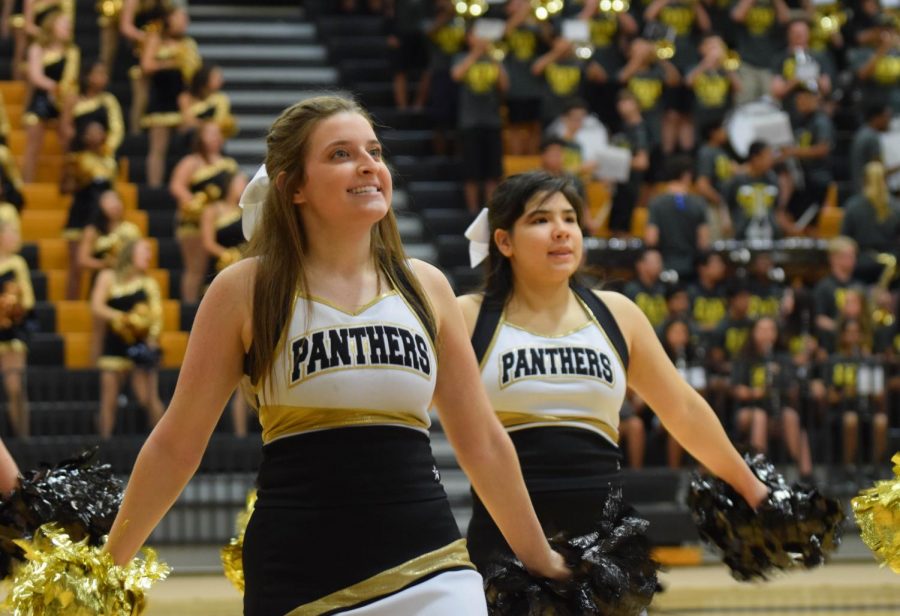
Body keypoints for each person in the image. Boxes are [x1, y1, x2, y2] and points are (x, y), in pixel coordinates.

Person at [102, 96, 568, 615]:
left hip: (431, 566)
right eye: (341, 154)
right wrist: (106, 567)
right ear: (293, 187)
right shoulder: (245, 289)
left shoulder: (426, 286)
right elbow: (176, 445)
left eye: (374, 150)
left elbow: (481, 439)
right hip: (298, 578)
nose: (369, 164)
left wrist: (540, 558)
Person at [459, 170, 769, 574]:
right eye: (540, 220)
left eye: (569, 219)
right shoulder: (468, 316)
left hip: (604, 549)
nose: (561, 231)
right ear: (504, 241)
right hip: (504, 548)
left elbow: (683, 411)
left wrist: (752, 488)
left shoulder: (617, 315)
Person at [91, 238, 165, 439]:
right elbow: (96, 306)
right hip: (113, 344)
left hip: (139, 346)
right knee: (109, 400)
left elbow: (156, 317)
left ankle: (162, 442)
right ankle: (104, 446)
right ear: (130, 252)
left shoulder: (148, 283)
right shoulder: (107, 276)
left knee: (148, 397)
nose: (149, 255)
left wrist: (151, 341)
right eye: (145, 251)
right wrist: (124, 318)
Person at [732, 316, 813, 481]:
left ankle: (805, 473)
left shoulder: (782, 359)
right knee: (759, 417)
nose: (766, 334)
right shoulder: (744, 358)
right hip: (749, 410)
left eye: (770, 330)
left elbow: (792, 389)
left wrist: (779, 377)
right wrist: (758, 392)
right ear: (753, 333)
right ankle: (760, 470)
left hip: (777, 408)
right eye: (761, 330)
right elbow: (737, 390)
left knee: (791, 417)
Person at [200, 172, 249, 436]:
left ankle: (241, 437)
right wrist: (229, 256)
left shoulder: (250, 211)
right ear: (229, 184)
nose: (245, 185)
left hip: (244, 280)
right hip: (219, 276)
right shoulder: (213, 209)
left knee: (245, 370)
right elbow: (207, 242)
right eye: (241, 181)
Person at [168, 122, 238, 303]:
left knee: (214, 267)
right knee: (195, 268)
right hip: (195, 221)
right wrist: (194, 203)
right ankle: (190, 307)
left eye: (218, 134)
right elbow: (176, 186)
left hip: (221, 222)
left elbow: (235, 191)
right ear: (200, 138)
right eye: (211, 134)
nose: (216, 138)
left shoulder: (228, 164)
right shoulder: (192, 161)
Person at [140, 6, 200, 187]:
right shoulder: (156, 38)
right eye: (180, 17)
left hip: (183, 98)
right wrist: (171, 62)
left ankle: (185, 182)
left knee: (188, 145)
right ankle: (155, 187)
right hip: (161, 95)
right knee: (158, 148)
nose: (184, 22)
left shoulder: (188, 43)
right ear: (168, 19)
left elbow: (196, 72)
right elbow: (146, 65)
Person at [61, 121, 117, 300]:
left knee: (99, 262)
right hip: (81, 214)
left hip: (101, 218)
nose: (96, 135)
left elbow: (111, 191)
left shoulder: (109, 161)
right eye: (92, 131)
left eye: (100, 131)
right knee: (76, 267)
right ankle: (72, 304)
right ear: (84, 136)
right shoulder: (76, 158)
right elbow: (64, 188)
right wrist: (75, 177)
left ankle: (92, 301)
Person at [21, 8, 78, 183]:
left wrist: (63, 95)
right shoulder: (38, 48)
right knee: (33, 145)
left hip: (64, 101)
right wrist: (53, 87)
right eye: (63, 24)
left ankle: (67, 182)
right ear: (51, 25)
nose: (68, 28)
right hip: (42, 98)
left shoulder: (72, 51)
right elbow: (35, 75)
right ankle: (26, 184)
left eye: (69, 25)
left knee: (67, 140)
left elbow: (72, 78)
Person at [0, 207, 33, 439]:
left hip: (11, 331)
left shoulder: (17, 263)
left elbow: (28, 299)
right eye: (11, 232)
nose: (15, 237)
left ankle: (23, 438)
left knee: (15, 388)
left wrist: (11, 306)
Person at [62, 60, 124, 156]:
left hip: (102, 151)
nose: (105, 77)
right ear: (87, 77)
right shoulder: (72, 99)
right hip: (78, 150)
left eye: (105, 74)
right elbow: (66, 127)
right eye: (100, 73)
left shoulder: (108, 100)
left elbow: (117, 129)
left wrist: (106, 147)